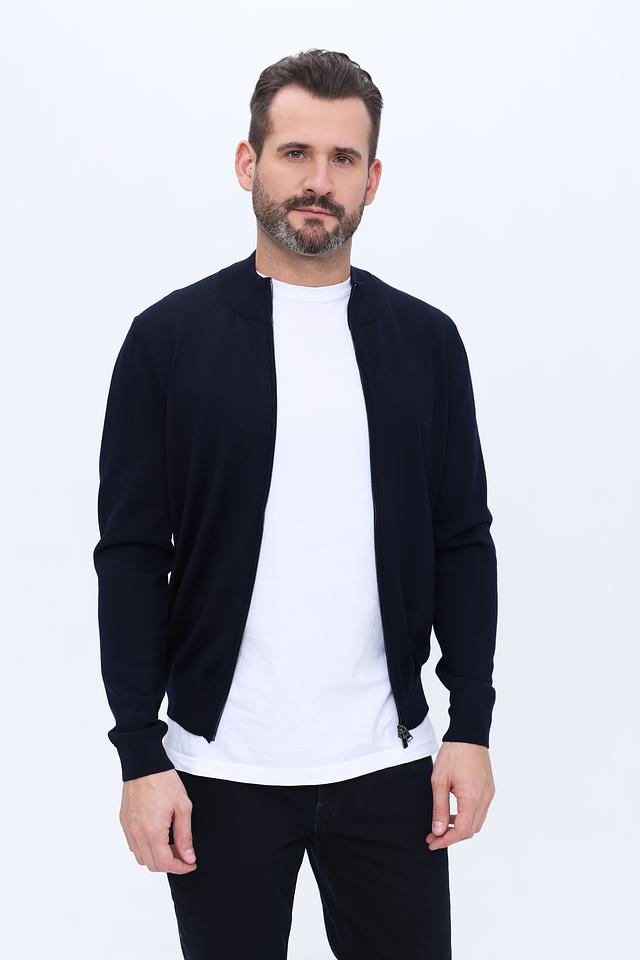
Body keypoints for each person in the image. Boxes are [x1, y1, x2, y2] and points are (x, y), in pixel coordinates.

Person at [93, 48, 498, 960]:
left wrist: (469, 728)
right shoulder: (168, 340)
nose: (319, 181)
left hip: (390, 767)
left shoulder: (426, 343)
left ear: (372, 180)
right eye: (295, 153)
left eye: (344, 158)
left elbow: (463, 542)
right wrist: (140, 752)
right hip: (217, 771)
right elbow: (131, 555)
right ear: (249, 163)